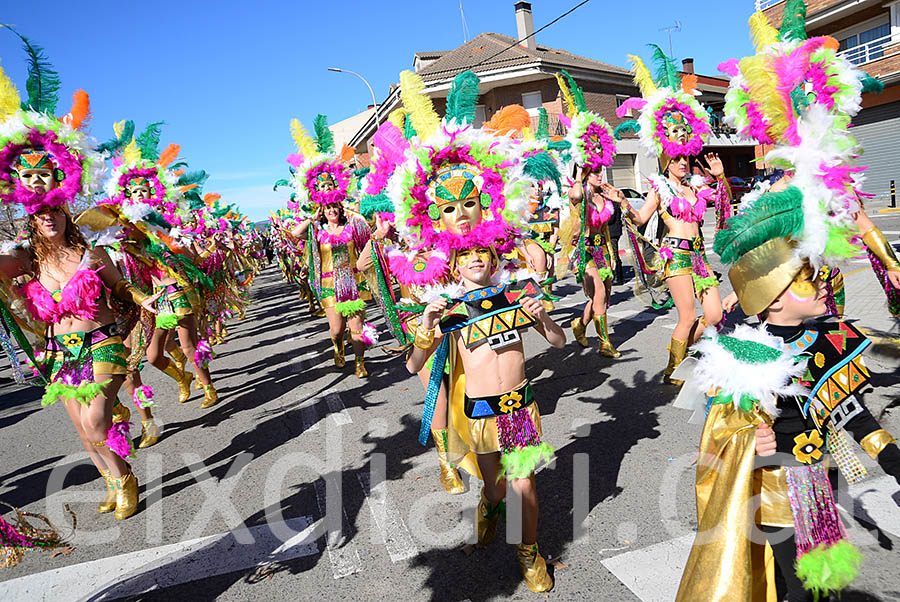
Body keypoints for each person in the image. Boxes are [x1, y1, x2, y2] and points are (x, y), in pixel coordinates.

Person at [675, 3, 900, 599]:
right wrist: (752, 438)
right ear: (772, 299)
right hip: (771, 488)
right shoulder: (743, 355)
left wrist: (895, 460)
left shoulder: (829, 338)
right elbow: (716, 436)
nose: (821, 284)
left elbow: (855, 416)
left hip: (813, 486)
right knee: (777, 582)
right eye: (805, 280)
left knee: (820, 583)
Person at [388, 69, 564, 592]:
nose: (475, 262)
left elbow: (556, 343)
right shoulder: (448, 305)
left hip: (522, 403)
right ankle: (488, 515)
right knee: (494, 487)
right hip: (481, 413)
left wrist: (545, 317)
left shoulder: (515, 292)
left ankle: (530, 554)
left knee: (526, 486)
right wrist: (424, 326)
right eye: (465, 257)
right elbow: (414, 368)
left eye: (483, 253)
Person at [0, 58, 155, 520]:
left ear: (66, 211)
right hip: (59, 352)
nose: (48, 218)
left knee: (96, 420)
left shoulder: (94, 252)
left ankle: (125, 475)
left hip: (103, 343)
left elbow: (122, 289)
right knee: (83, 431)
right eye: (40, 213)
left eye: (56, 212)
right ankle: (111, 478)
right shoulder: (25, 257)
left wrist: (146, 301)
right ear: (31, 214)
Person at [611, 46, 732, 383]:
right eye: (676, 158)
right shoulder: (659, 188)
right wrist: (623, 203)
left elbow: (725, 206)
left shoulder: (696, 186)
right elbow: (640, 219)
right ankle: (673, 371)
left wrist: (720, 176)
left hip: (700, 257)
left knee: (715, 314)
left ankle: (680, 354)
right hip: (675, 257)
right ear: (666, 159)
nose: (682, 163)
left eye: (685, 158)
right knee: (688, 315)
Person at [288, 115, 373, 377]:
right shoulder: (317, 230)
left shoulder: (352, 225)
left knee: (357, 327)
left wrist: (353, 208)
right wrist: (311, 217)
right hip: (327, 285)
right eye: (328, 208)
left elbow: (369, 232)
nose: (333, 211)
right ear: (322, 211)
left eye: (336, 207)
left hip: (353, 282)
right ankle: (338, 347)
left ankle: (360, 362)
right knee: (337, 329)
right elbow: (294, 234)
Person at [554, 71, 623, 357]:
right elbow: (575, 196)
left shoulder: (604, 193)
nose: (599, 174)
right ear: (584, 170)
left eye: (600, 169)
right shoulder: (577, 192)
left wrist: (617, 200)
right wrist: (581, 173)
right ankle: (605, 343)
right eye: (594, 170)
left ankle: (580, 326)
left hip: (601, 249)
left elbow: (608, 227)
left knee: (600, 296)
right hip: (583, 251)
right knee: (601, 295)